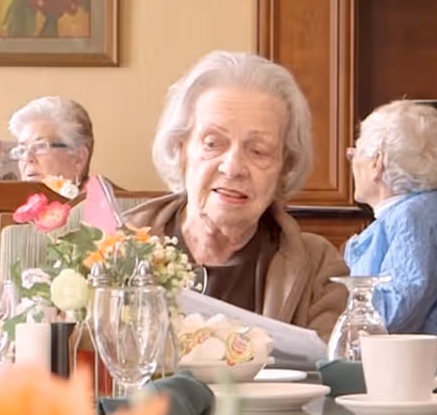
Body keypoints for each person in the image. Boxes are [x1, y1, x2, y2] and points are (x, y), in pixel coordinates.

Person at [124, 51, 347, 335]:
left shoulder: (318, 268)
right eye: (213, 143)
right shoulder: (118, 250)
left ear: (285, 166)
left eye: (258, 151)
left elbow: (333, 373)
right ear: (180, 150)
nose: (233, 168)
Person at [344, 100, 437, 335]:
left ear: (377, 163)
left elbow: (394, 316)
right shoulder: (414, 213)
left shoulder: (412, 219)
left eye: (355, 152)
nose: (351, 160)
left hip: (395, 361)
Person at [8, 95, 95, 187]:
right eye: (22, 150)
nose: (27, 158)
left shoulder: (99, 200)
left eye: (40, 146)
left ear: (78, 158)